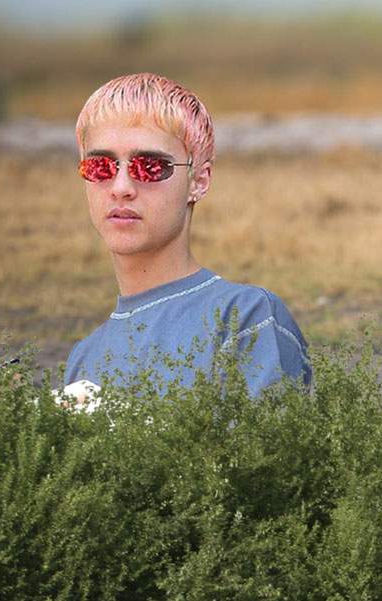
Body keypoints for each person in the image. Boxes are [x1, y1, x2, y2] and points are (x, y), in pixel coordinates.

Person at [63, 73, 311, 398]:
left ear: (199, 180)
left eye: (150, 166)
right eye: (100, 167)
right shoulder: (83, 358)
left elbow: (266, 447)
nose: (121, 187)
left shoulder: (244, 319)